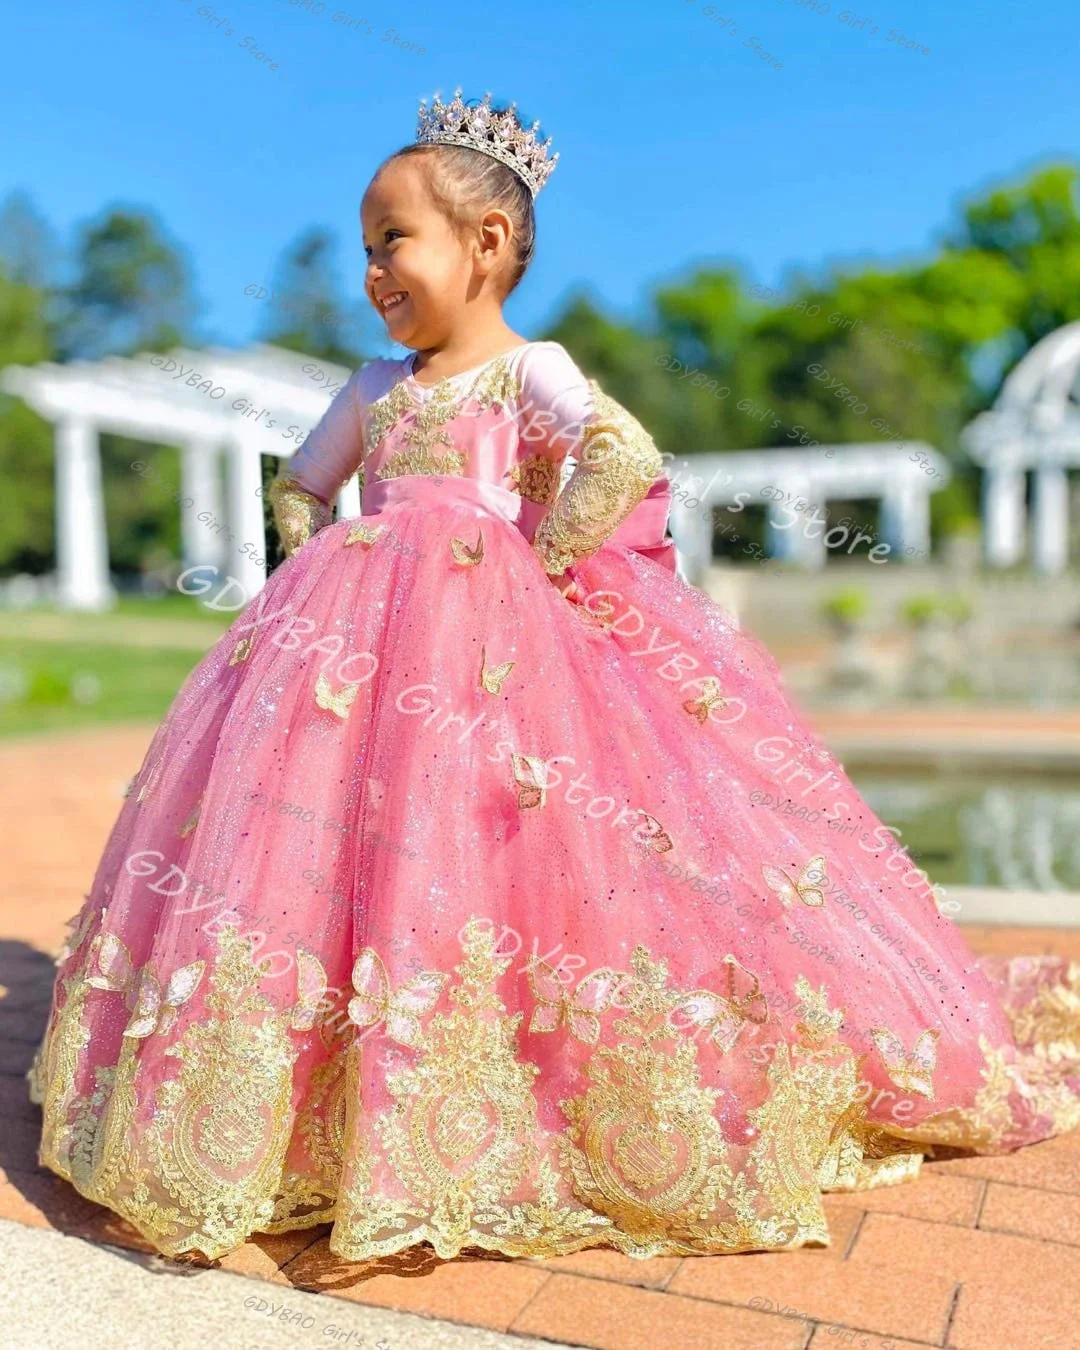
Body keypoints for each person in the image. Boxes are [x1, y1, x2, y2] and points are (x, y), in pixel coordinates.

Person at [31, 89, 1079, 1265]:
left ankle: (498, 1082)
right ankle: (309, 1099)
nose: (374, 267)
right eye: (364, 245)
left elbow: (618, 449)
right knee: (326, 845)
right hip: (351, 638)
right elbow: (303, 480)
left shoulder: (532, 369)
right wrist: (315, 554)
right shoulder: (377, 390)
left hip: (491, 637)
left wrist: (544, 556)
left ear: (485, 245)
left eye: (396, 239)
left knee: (493, 836)